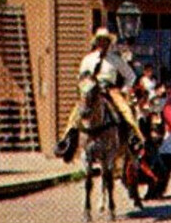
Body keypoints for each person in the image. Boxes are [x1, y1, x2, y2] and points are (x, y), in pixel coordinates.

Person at [55, 27, 144, 161]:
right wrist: (85, 88)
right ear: (96, 42)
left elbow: (130, 76)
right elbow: (80, 77)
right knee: (76, 114)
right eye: (100, 41)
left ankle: (133, 138)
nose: (103, 43)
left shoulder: (115, 59)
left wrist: (123, 90)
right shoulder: (88, 60)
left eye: (105, 41)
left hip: (109, 90)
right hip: (91, 91)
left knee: (126, 110)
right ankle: (67, 141)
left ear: (109, 43)